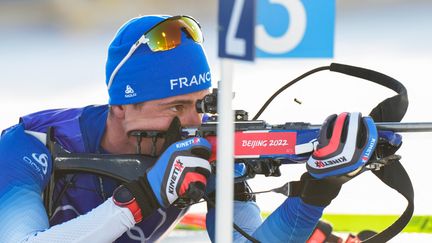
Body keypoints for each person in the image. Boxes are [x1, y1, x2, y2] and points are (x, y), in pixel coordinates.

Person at [0, 15, 381, 243]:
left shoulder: (208, 147)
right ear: (120, 106)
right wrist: (143, 199)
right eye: (175, 107)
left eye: (200, 104)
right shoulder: (33, 145)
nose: (194, 122)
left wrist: (318, 189)